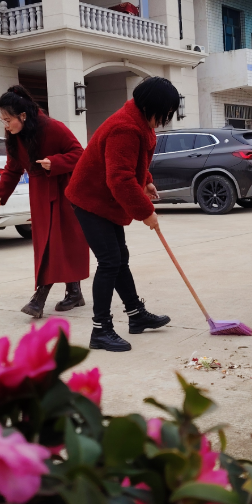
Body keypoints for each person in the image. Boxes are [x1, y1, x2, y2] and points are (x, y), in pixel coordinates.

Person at [64, 77, 175, 352]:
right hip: (90, 200)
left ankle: (136, 315)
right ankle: (101, 330)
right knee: (110, 261)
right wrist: (145, 212)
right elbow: (120, 178)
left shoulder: (138, 121)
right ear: (151, 107)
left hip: (105, 200)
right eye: (164, 113)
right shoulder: (124, 127)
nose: (164, 120)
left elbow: (133, 161)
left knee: (119, 258)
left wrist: (146, 179)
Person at [0, 85, 89, 318]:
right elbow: (12, 170)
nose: (5, 125)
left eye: (8, 120)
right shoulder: (14, 137)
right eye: (2, 120)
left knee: (57, 244)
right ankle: (74, 292)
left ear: (22, 116)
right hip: (39, 193)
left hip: (64, 190)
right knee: (50, 243)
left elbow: (80, 154)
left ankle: (39, 299)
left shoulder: (53, 127)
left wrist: (55, 162)